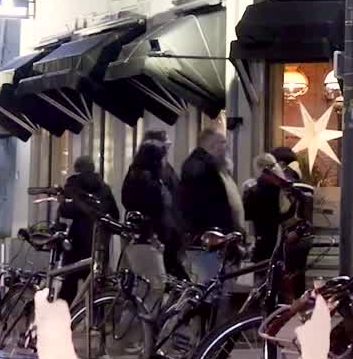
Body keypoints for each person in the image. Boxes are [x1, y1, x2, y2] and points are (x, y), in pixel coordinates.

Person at [56, 155, 119, 307]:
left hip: (77, 241)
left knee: (69, 284)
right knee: (95, 287)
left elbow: (66, 211)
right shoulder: (104, 187)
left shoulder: (73, 186)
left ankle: (59, 318)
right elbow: (115, 214)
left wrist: (61, 203)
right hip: (98, 242)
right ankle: (96, 324)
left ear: (76, 168)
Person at [121, 140, 187, 279]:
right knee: (159, 282)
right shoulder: (146, 179)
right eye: (163, 157)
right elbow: (152, 209)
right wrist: (154, 236)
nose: (165, 161)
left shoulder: (138, 175)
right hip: (153, 238)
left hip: (153, 237)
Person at [178, 128, 246, 243]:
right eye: (222, 142)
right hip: (210, 235)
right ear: (212, 144)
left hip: (215, 233)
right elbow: (210, 203)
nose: (225, 147)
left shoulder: (212, 165)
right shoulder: (202, 166)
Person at [242, 154, 292, 263]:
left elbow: (246, 213)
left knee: (262, 271)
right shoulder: (283, 186)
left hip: (263, 236)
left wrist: (246, 193)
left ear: (260, 168)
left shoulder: (258, 189)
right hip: (281, 236)